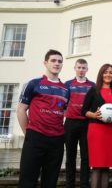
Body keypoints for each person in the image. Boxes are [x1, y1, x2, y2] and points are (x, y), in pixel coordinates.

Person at [17, 49, 69, 188]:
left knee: (50, 182)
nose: (57, 63)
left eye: (59, 61)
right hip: (35, 138)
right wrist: (28, 134)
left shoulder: (65, 89)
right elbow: (21, 110)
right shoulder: (33, 84)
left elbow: (63, 112)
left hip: (57, 141)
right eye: (53, 60)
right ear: (45, 63)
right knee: (27, 181)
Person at [81, 63, 112, 188]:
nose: (108, 74)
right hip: (97, 130)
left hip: (111, 131)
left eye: (111, 72)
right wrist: (94, 115)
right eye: (105, 72)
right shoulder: (93, 91)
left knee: (106, 167)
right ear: (101, 74)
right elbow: (83, 111)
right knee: (97, 166)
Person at [64, 59, 95, 188]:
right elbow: (63, 102)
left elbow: (94, 104)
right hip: (70, 123)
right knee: (70, 155)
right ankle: (69, 184)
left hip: (86, 123)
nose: (81, 70)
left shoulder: (92, 85)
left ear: (87, 69)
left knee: (85, 156)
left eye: (83, 68)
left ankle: (84, 184)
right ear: (75, 68)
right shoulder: (67, 84)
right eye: (79, 67)